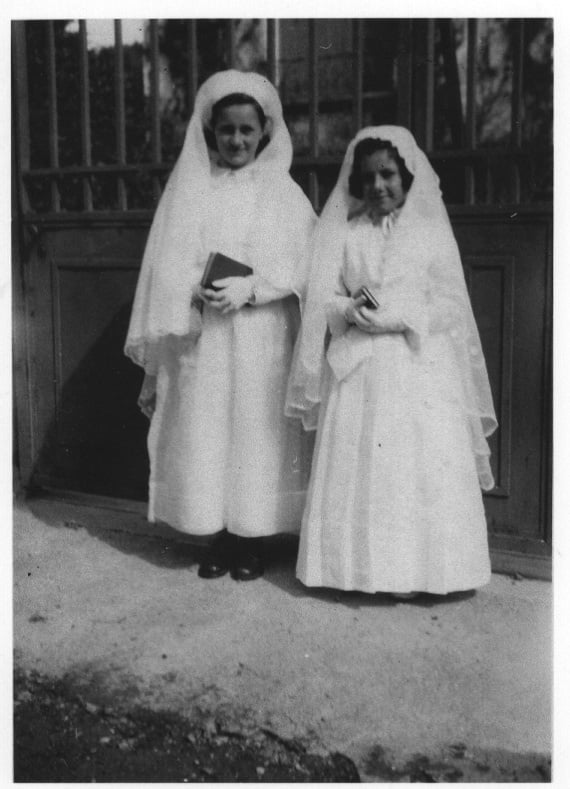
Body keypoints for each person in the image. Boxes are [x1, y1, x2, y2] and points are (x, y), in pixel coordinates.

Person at [286, 126, 497, 598]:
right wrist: (348, 309)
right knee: (366, 466)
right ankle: (359, 570)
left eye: (388, 175)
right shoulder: (347, 233)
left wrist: (401, 317)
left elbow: (450, 305)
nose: (378, 186)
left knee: (412, 465)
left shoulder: (428, 232)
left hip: (417, 364)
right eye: (368, 178)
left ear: (407, 176)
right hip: (360, 368)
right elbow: (324, 296)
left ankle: (419, 573)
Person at [125, 70, 316, 581]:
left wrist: (254, 288)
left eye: (246, 130)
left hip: (261, 333)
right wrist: (193, 286)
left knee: (256, 428)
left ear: (264, 132)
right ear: (212, 132)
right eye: (227, 130)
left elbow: (305, 263)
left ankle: (251, 535)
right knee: (208, 426)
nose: (236, 140)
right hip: (207, 334)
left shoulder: (283, 192)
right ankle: (217, 530)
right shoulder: (194, 191)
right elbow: (169, 261)